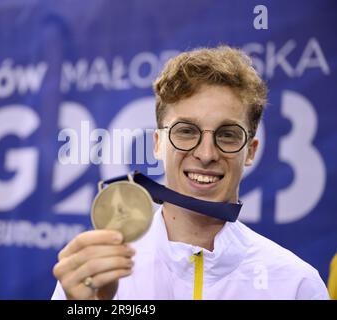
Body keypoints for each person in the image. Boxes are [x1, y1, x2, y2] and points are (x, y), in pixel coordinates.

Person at [51, 46, 330, 300]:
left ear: (251, 151)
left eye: (228, 135)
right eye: (186, 131)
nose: (206, 154)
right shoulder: (98, 270)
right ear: (158, 144)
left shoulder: (296, 284)